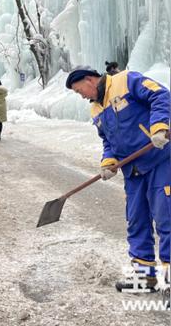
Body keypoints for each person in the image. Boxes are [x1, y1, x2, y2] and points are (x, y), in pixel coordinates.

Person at [66, 65, 170, 295]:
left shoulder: (126, 80)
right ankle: (145, 277)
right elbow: (108, 141)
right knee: (136, 221)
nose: (80, 95)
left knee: (166, 218)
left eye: (79, 89)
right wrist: (108, 162)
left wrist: (160, 126)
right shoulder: (95, 109)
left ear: (90, 80)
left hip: (159, 158)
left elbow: (161, 94)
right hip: (132, 170)